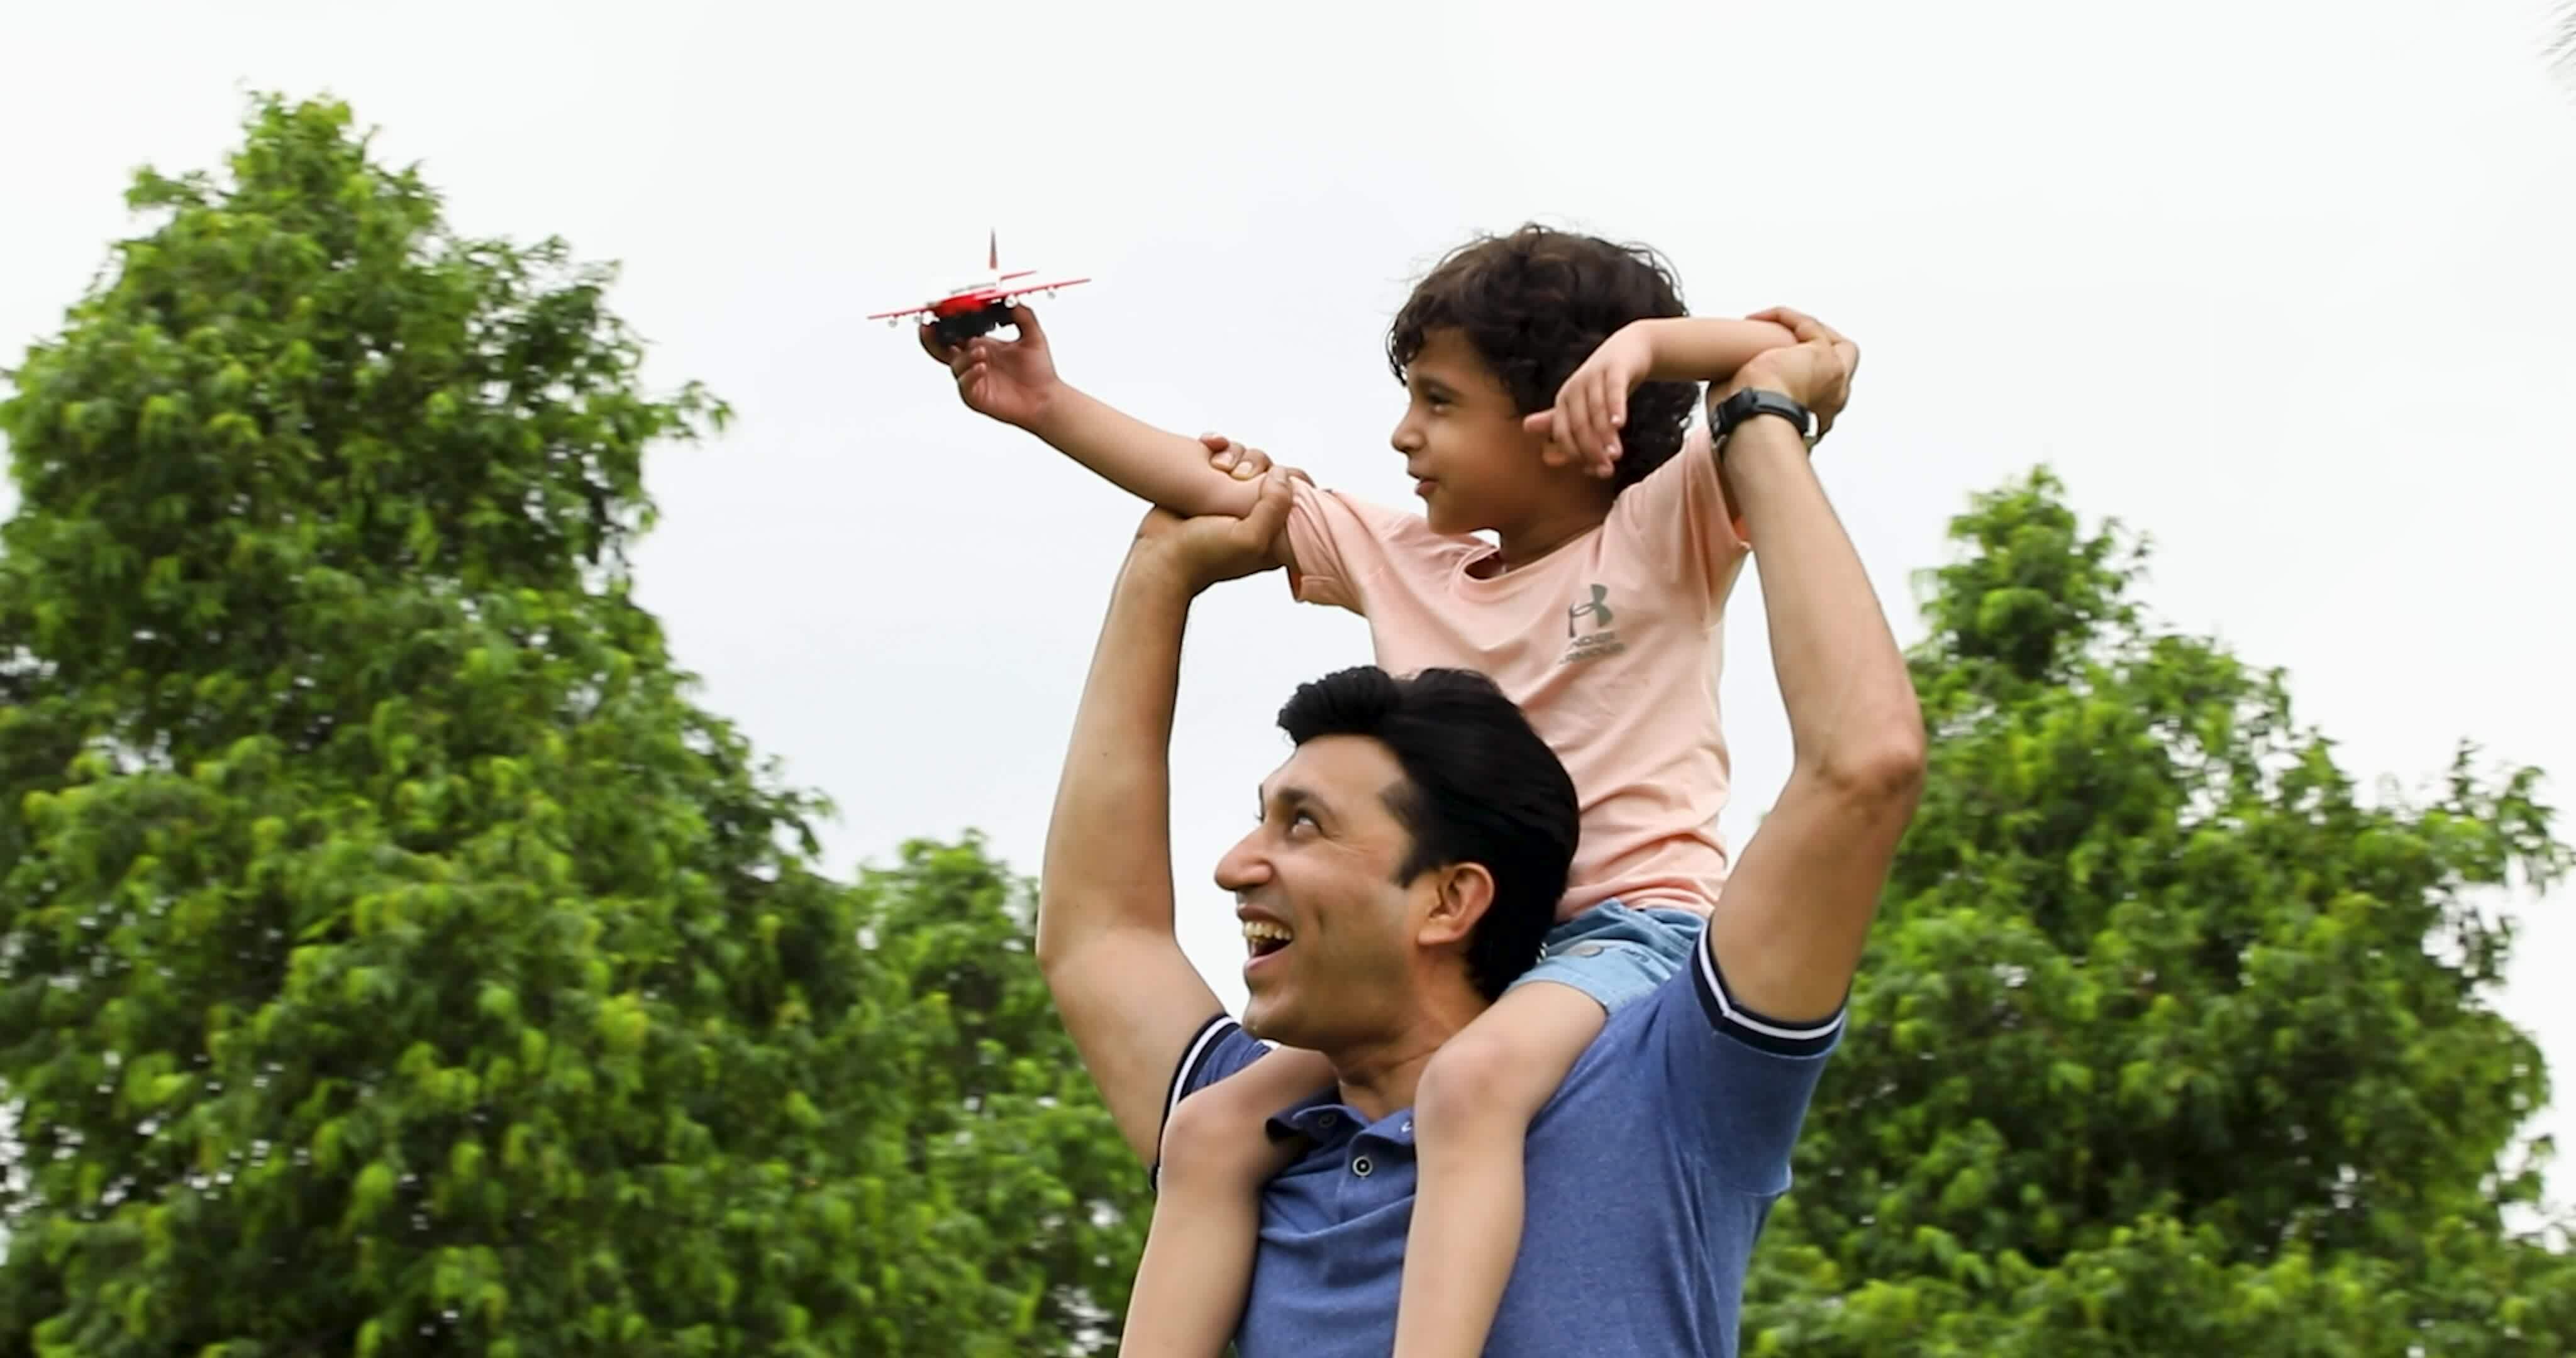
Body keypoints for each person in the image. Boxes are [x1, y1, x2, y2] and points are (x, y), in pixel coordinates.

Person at [923, 224, 1811, 1356]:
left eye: (1440, 404)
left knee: (1473, 1086)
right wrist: (1045, 403)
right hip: (1470, 951)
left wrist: (1648, 347)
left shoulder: (1666, 528)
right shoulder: (1410, 563)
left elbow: (1803, 356)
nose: (1404, 435)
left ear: (1557, 423)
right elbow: (1225, 494)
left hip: (1624, 934)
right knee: (1208, 1134)